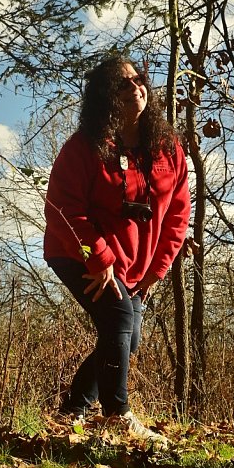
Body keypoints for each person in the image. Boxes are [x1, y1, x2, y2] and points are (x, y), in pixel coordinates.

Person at [44, 54, 191, 443]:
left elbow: (178, 215)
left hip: (135, 266)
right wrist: (99, 258)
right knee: (119, 317)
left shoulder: (168, 148)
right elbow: (62, 209)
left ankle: (70, 413)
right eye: (121, 85)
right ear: (104, 97)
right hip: (76, 252)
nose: (134, 89)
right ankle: (118, 414)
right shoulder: (84, 147)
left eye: (137, 80)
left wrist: (158, 270)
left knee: (128, 336)